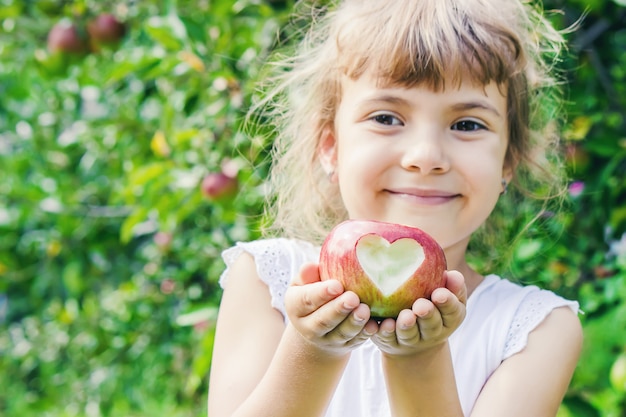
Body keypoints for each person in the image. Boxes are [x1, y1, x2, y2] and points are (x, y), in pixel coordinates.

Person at [207, 0, 583, 416]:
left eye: (467, 125)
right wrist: (314, 349)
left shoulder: (534, 328)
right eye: (386, 117)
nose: (425, 156)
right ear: (330, 147)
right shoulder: (268, 282)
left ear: (507, 162)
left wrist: (417, 359)